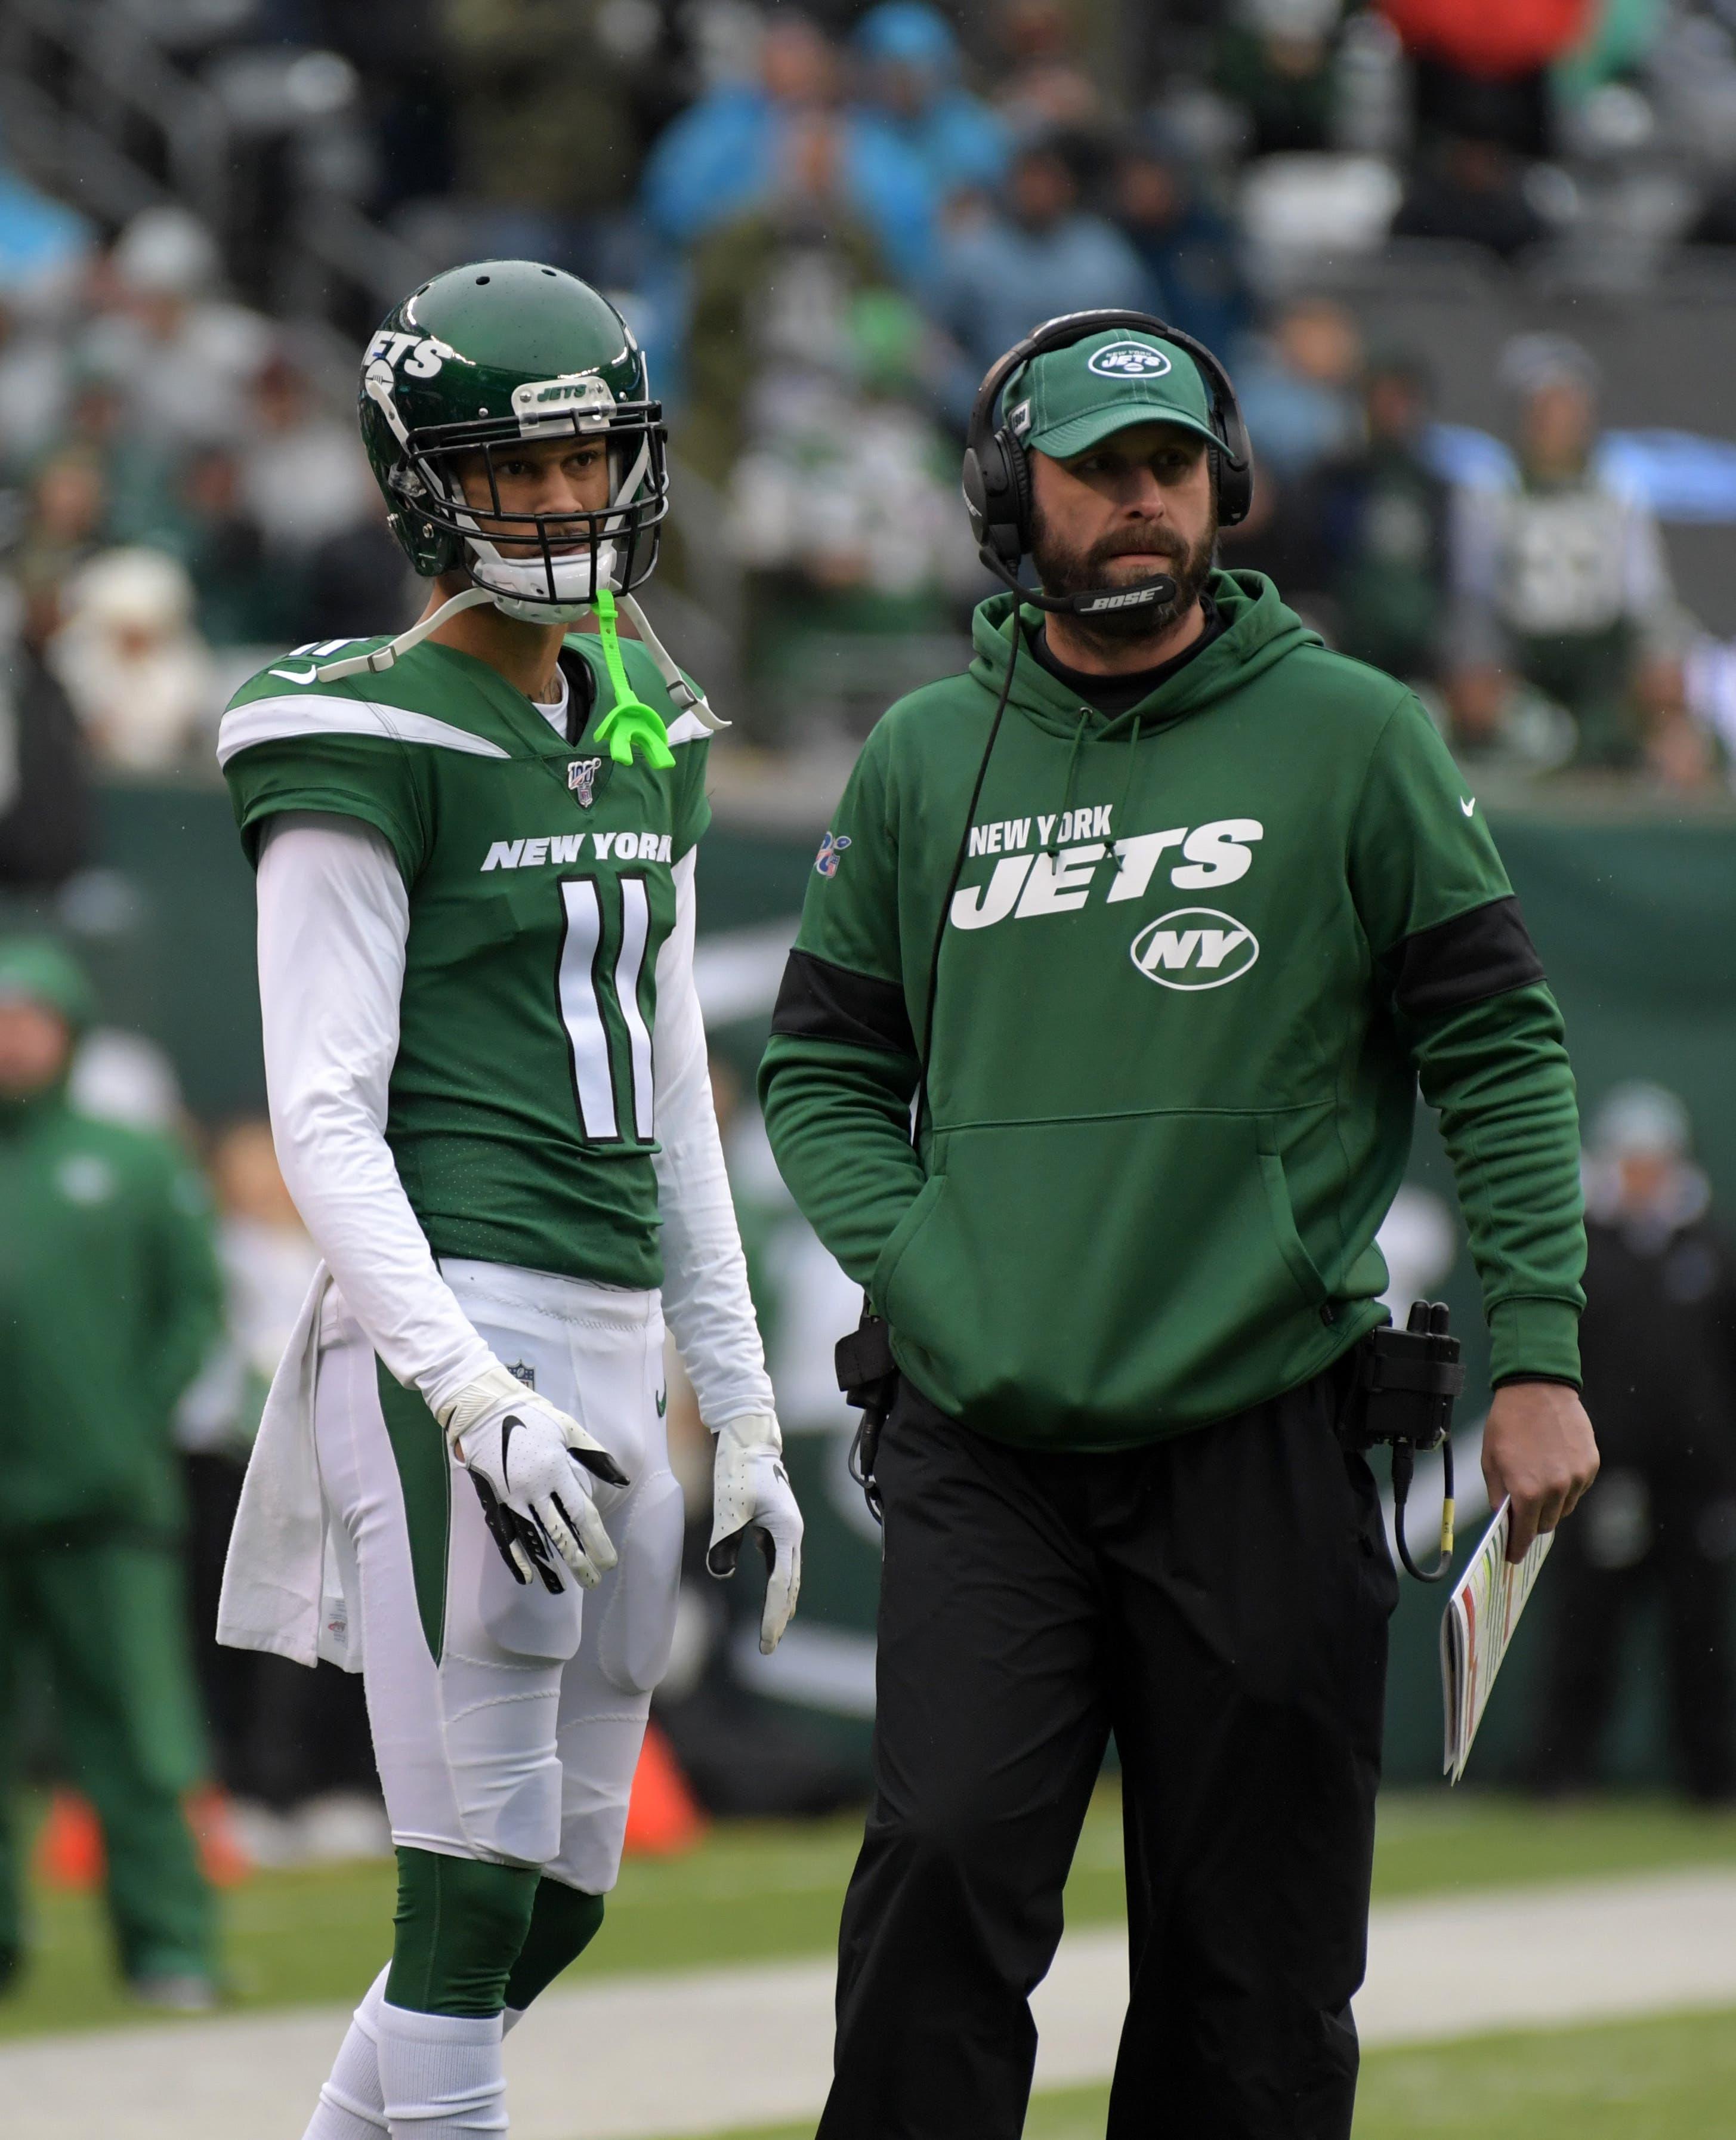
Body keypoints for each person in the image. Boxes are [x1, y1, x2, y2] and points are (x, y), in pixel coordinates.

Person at [758, 311, 1598, 2139]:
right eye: (1096, 473)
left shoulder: (1356, 738)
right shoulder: (919, 755)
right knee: (941, 1874)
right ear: (1012, 497)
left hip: (1264, 1432)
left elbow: (1503, 1060)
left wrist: (1534, 1351)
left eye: (1168, 469)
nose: (1139, 506)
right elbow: (820, 1072)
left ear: (1222, 486)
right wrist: (933, 1266)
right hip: (991, 1436)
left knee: (1256, 1971)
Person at [214, 261, 802, 2140]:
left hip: (621, 1331)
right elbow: (321, 1114)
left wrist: (751, 1396)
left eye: (587, 463)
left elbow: (677, 1105)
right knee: (461, 1892)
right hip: (458, 1313)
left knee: (561, 1892)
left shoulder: (644, 702)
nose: (560, 506)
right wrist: (462, 1386)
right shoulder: (356, 726)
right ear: (418, 483)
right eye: (513, 468)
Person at [0, 935, 224, 2007]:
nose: (10, 1040)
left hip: (111, 1510)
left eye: (27, 1018)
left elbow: (195, 1310)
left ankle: (170, 1945)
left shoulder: (134, 1162)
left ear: (70, 1029)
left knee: (138, 1736)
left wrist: (124, 1433)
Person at [1531, 1085, 1736, 1802]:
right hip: (1603, 1474)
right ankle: (1561, 1776)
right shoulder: (1584, 1250)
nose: (1642, 1174)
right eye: (1630, 1160)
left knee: (1699, 1635)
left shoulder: (1708, 1251)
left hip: (1695, 1483)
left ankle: (1711, 1783)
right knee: (1586, 1629)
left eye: (1655, 1161)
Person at [1447, 335, 1687, 770]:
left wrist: (1663, 662)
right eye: (1545, 412)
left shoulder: (1619, 490)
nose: (1556, 425)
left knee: (1676, 742)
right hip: (1523, 665)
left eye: (1567, 412)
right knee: (1518, 740)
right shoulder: (1490, 490)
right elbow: (1474, 597)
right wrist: (1477, 664)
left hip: (1603, 667)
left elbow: (1648, 598)